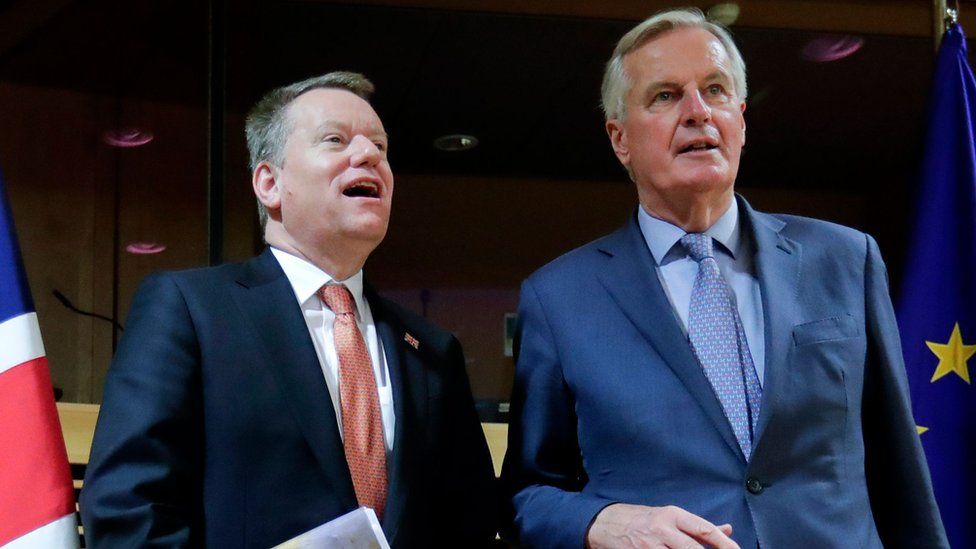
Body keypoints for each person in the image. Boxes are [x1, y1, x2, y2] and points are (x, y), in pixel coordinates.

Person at [501, 9, 948, 548]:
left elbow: (899, 470)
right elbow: (527, 496)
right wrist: (602, 522)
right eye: (665, 96)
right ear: (620, 139)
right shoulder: (558, 298)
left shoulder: (845, 260)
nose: (697, 112)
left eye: (715, 90)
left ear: (740, 116)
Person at [80, 71, 497, 548]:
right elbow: (129, 510)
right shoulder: (190, 311)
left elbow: (472, 525)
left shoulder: (432, 350)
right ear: (269, 183)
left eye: (380, 147)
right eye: (336, 139)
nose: (369, 157)